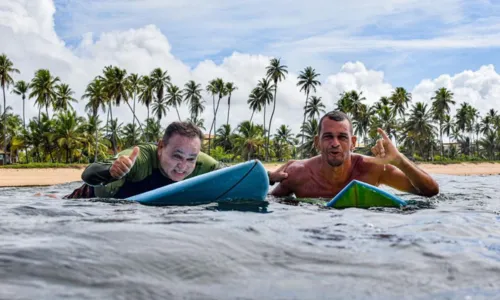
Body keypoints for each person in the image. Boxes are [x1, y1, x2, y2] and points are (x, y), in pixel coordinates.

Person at [64, 121, 289, 199]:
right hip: (89, 199)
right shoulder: (138, 158)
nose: (183, 166)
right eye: (177, 156)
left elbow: (233, 175)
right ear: (161, 147)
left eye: (191, 158)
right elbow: (89, 173)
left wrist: (268, 177)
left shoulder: (201, 163)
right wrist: (112, 172)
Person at [271, 111, 439, 198]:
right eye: (328, 136)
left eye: (342, 137)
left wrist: (399, 160)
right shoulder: (298, 174)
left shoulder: (372, 169)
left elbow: (429, 192)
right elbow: (271, 202)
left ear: (353, 142)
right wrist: (268, 177)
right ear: (317, 142)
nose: (335, 143)